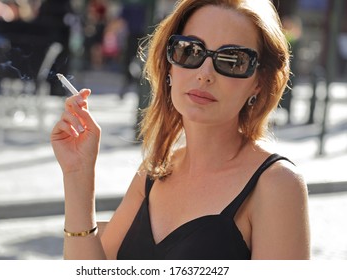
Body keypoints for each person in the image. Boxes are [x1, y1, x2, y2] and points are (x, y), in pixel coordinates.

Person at [51, 0, 310, 260]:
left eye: (232, 60)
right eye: (190, 51)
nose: (205, 74)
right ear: (169, 66)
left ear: (259, 82)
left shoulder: (276, 184)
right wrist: (77, 175)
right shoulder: (153, 173)